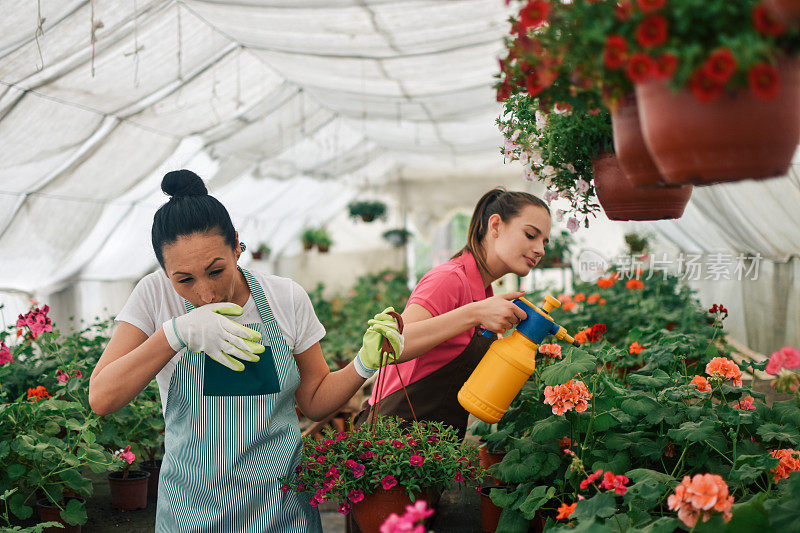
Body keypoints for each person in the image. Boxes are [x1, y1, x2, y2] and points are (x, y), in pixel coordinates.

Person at [88, 170, 401, 532]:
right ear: (164, 271)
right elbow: (102, 397)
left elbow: (314, 401)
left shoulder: (285, 297)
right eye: (184, 280)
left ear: (237, 245)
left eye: (216, 270)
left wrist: (363, 364)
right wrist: (173, 334)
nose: (205, 293)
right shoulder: (153, 295)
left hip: (282, 510)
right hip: (191, 512)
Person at [355, 187, 551, 437]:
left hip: (432, 442)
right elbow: (392, 345)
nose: (540, 250)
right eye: (530, 235)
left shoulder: (483, 291)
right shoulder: (450, 279)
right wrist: (475, 313)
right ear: (495, 226)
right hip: (393, 436)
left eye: (544, 242)